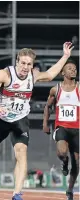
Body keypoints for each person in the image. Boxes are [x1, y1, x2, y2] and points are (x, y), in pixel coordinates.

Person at [0, 42, 73, 200]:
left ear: (32, 65)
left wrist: (65, 56)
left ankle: (17, 194)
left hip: (20, 120)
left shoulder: (33, 75)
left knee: (21, 153)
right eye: (23, 63)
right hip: (1, 119)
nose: (25, 67)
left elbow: (51, 74)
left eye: (29, 64)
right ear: (17, 62)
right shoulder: (5, 74)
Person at [43, 60, 79, 200]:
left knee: (77, 164)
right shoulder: (55, 89)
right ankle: (64, 162)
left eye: (75, 69)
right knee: (62, 152)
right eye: (70, 68)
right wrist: (45, 123)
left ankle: (70, 190)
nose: (73, 70)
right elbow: (48, 107)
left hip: (77, 129)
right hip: (62, 127)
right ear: (62, 73)